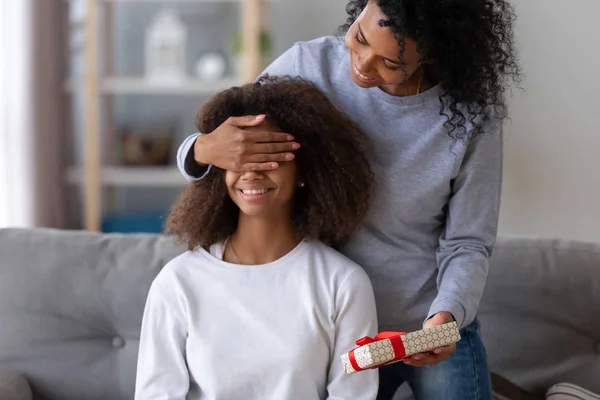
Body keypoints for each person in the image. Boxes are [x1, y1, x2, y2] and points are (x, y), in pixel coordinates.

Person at [174, 1, 521, 399]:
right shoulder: (309, 64)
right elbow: (233, 167)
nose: (362, 64)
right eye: (359, 37)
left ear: (434, 54)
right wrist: (202, 148)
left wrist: (447, 317)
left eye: (390, 63)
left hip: (423, 324)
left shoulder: (471, 116)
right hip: (331, 330)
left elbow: (468, 242)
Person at [134, 76, 380, 400]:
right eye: (240, 158)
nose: (252, 172)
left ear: (304, 172)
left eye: (270, 155)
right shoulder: (178, 283)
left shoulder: (342, 283)